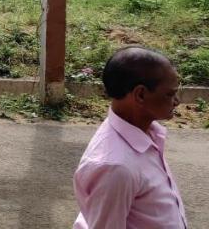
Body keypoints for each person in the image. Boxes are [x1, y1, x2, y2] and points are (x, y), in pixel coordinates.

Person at [74, 46, 187, 228]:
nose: (177, 101)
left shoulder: (145, 133)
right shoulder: (116, 167)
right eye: (170, 94)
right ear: (140, 94)